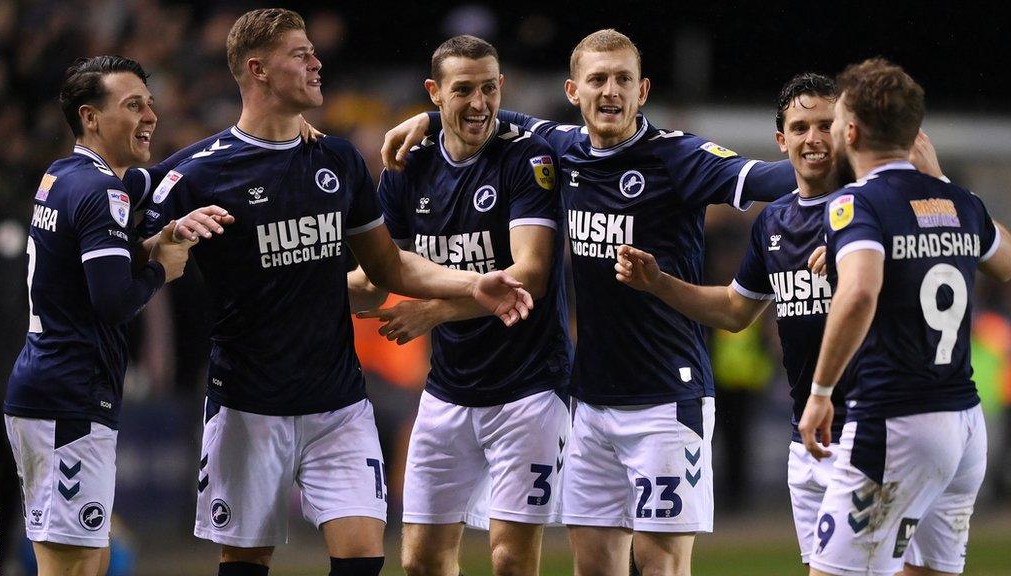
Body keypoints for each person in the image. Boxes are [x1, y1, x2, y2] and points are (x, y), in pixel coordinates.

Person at [383, 28, 797, 576]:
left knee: (660, 567)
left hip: (666, 401)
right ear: (573, 91)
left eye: (624, 79)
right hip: (592, 403)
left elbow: (771, 177)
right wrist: (431, 119)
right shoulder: (563, 147)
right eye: (598, 79)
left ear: (643, 90)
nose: (611, 92)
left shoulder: (678, 156)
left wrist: (853, 169)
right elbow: (490, 118)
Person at [135, 10, 532, 576]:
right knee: (245, 563)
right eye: (300, 54)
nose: (317, 62)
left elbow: (389, 268)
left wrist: (475, 284)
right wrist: (165, 238)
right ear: (258, 70)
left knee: (362, 563)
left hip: (339, 405)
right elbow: (133, 254)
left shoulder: (338, 160)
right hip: (249, 405)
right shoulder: (197, 172)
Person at [614, 72, 945, 571]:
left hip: (871, 429)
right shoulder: (774, 220)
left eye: (824, 125)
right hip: (805, 436)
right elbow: (734, 310)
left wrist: (917, 196)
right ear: (781, 139)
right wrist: (660, 283)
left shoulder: (874, 207)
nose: (812, 138)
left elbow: (932, 272)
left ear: (846, 132)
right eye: (799, 127)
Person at [358, 35, 571, 576]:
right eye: (463, 90)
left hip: (529, 389)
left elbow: (531, 276)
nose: (479, 103)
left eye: (489, 88)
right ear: (434, 93)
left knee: (510, 558)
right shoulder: (408, 169)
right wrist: (305, 286)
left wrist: (436, 309)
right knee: (421, 560)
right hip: (448, 390)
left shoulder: (527, 157)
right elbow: (379, 276)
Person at [798, 58, 1011, 576]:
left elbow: (859, 293)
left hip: (896, 419)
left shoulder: (856, 203)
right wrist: (939, 181)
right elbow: (1006, 263)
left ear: (851, 131)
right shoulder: (959, 201)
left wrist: (822, 393)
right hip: (964, 427)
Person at [2, 55, 203, 576]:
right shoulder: (101, 190)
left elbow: (163, 177)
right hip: (69, 396)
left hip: (53, 389)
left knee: (89, 560)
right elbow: (112, 302)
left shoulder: (64, 174)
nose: (150, 117)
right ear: (91, 117)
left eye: (150, 104)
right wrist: (161, 267)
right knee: (71, 565)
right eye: (133, 105)